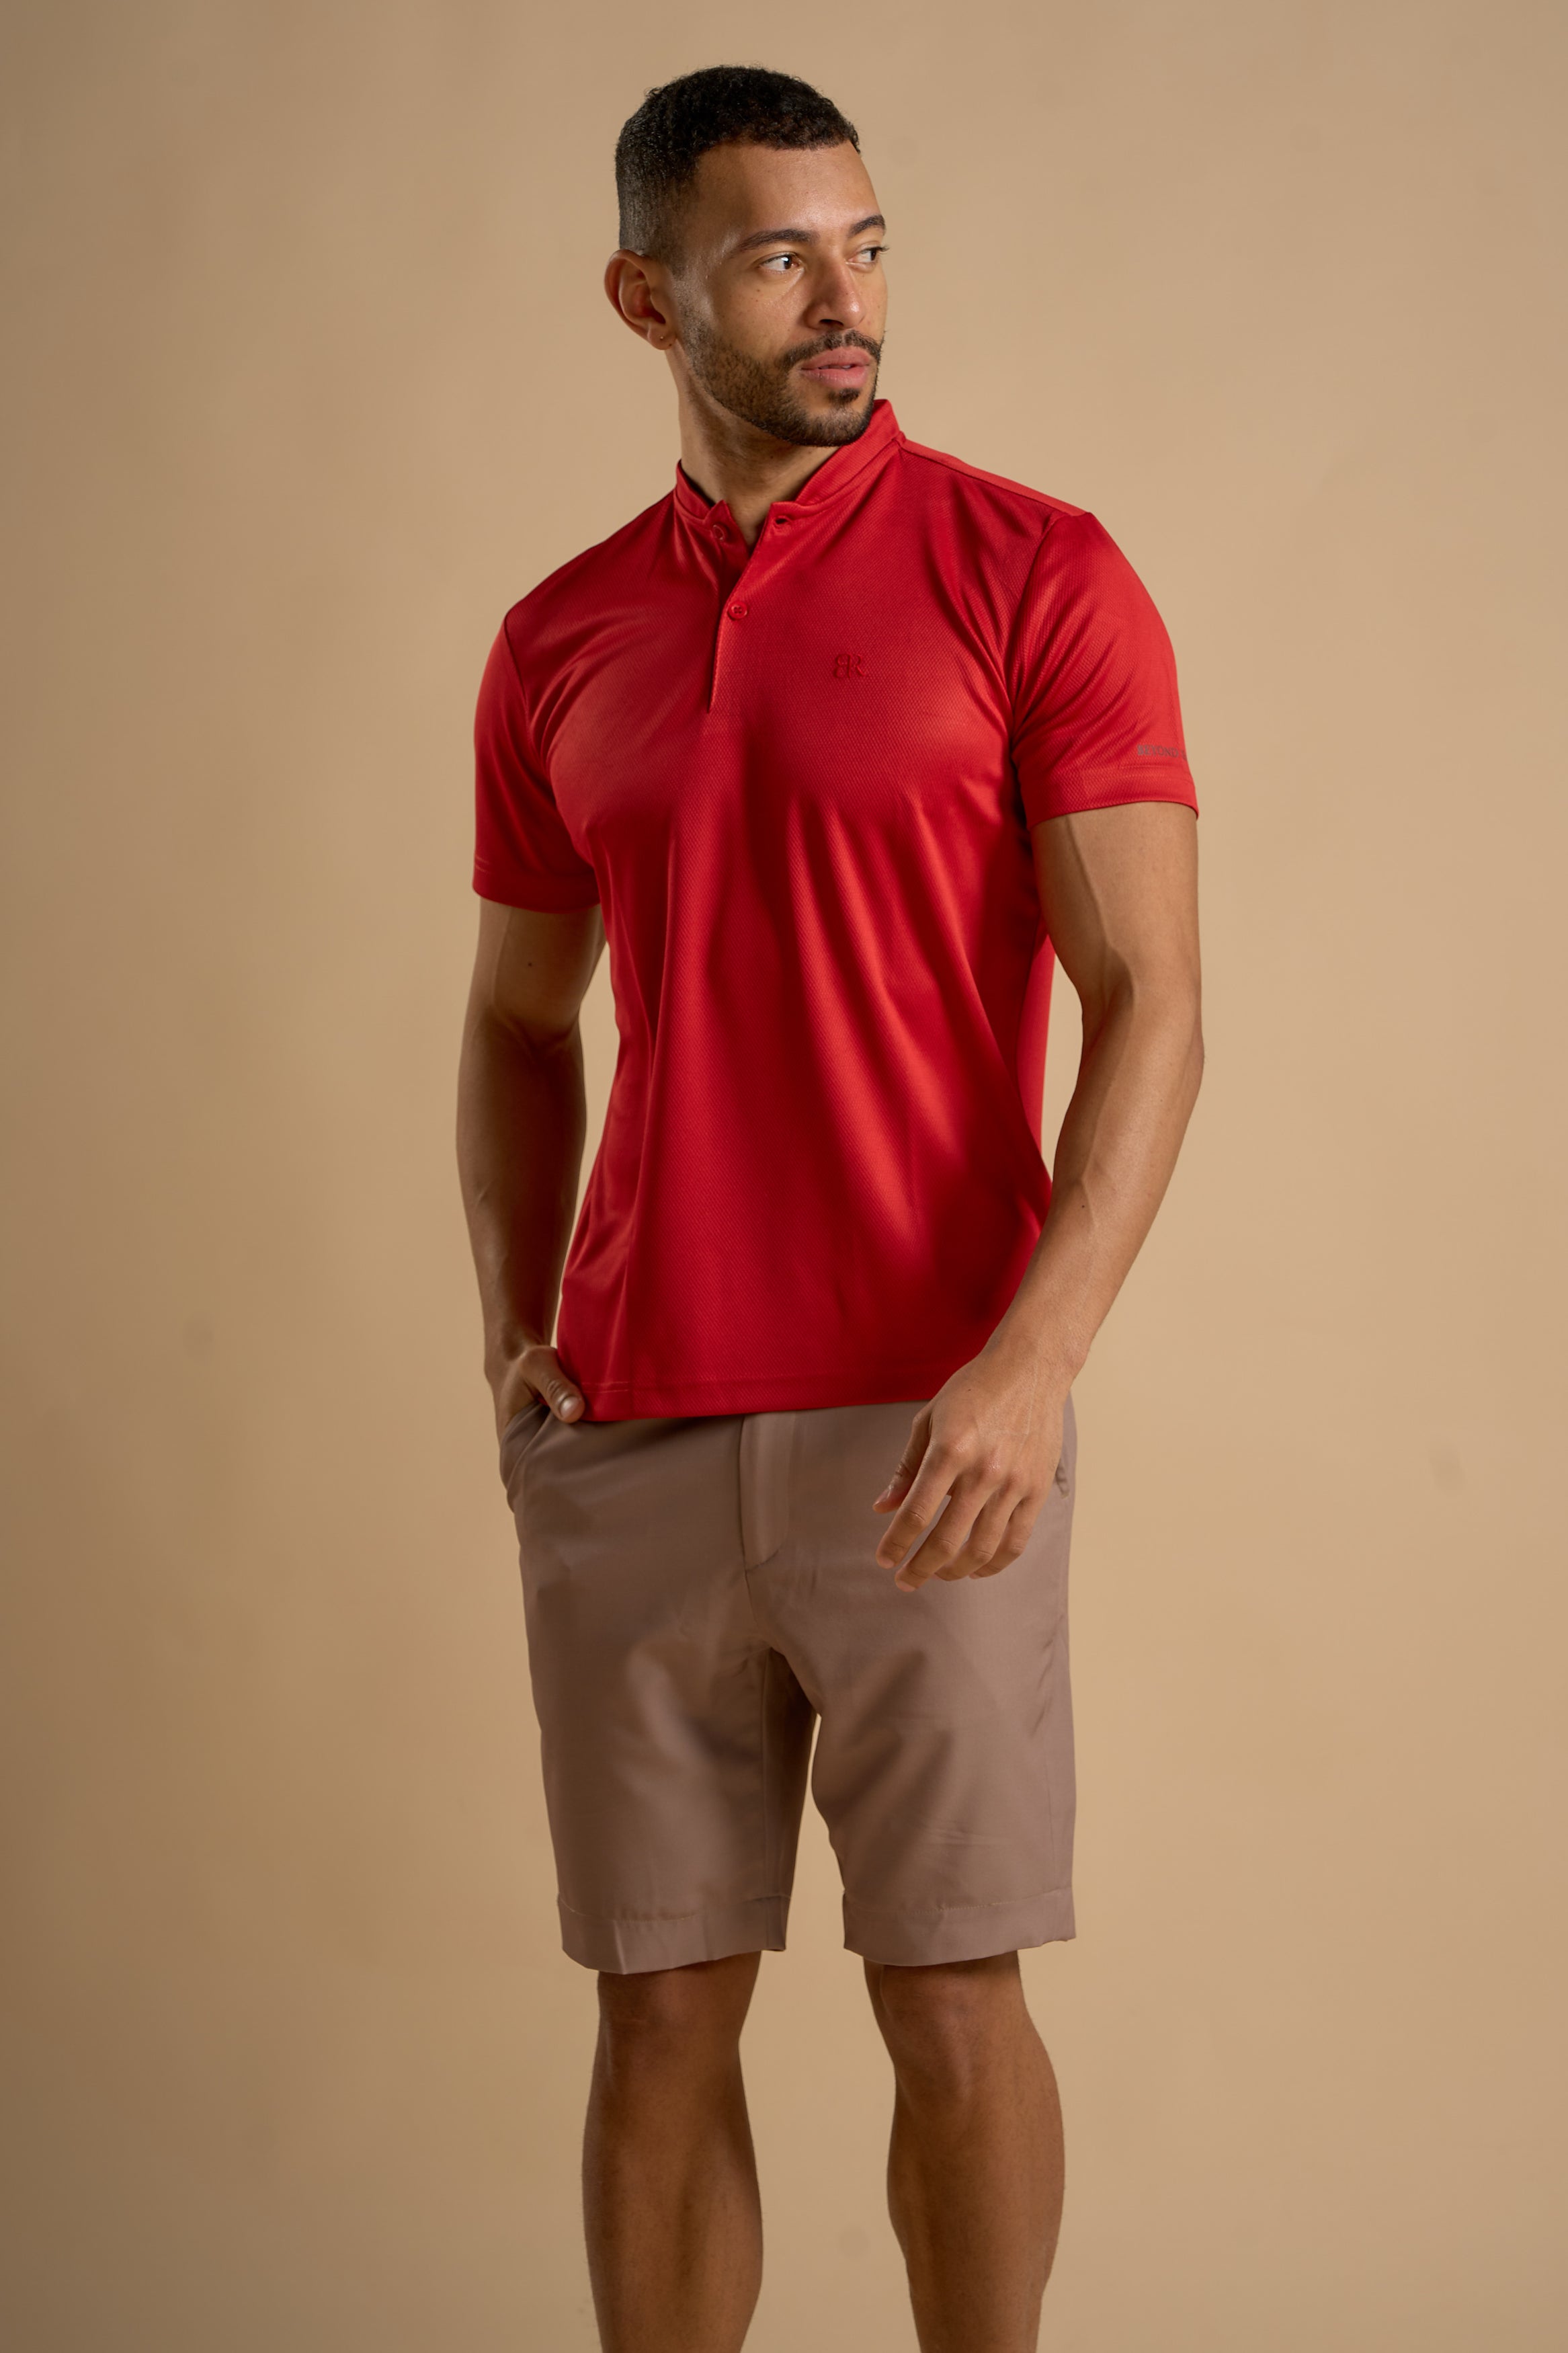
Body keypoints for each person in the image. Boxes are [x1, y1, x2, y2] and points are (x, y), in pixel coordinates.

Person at [455, 62, 1203, 2353]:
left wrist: (1033, 1365)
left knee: (949, 1992)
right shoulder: (558, 637)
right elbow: (514, 1018)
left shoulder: (1038, 573)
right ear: (646, 299)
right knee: (656, 2015)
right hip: (635, 1428)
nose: (843, 298)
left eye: (864, 245)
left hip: (931, 1434)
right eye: (779, 256)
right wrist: (514, 1332)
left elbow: (1155, 1002)